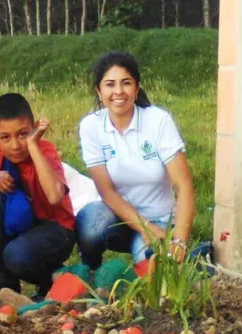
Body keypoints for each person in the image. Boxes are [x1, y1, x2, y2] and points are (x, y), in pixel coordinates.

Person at [75, 51, 196, 269]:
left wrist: (179, 241)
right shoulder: (90, 126)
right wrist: (144, 227)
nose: (118, 92)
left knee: (151, 268)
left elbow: (184, 186)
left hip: (160, 221)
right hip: (117, 217)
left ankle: (185, 256)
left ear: (137, 88)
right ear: (99, 90)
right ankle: (89, 271)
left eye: (126, 83)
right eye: (110, 84)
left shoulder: (158, 120)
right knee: (91, 224)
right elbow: (106, 191)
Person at [0, 93, 76, 307]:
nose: (15, 145)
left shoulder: (44, 150)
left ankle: (53, 282)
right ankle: (3, 284)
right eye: (5, 138)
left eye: (23, 134)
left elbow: (55, 196)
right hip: (21, 228)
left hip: (56, 230)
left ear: (35, 129)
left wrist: (33, 145)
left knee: (15, 255)